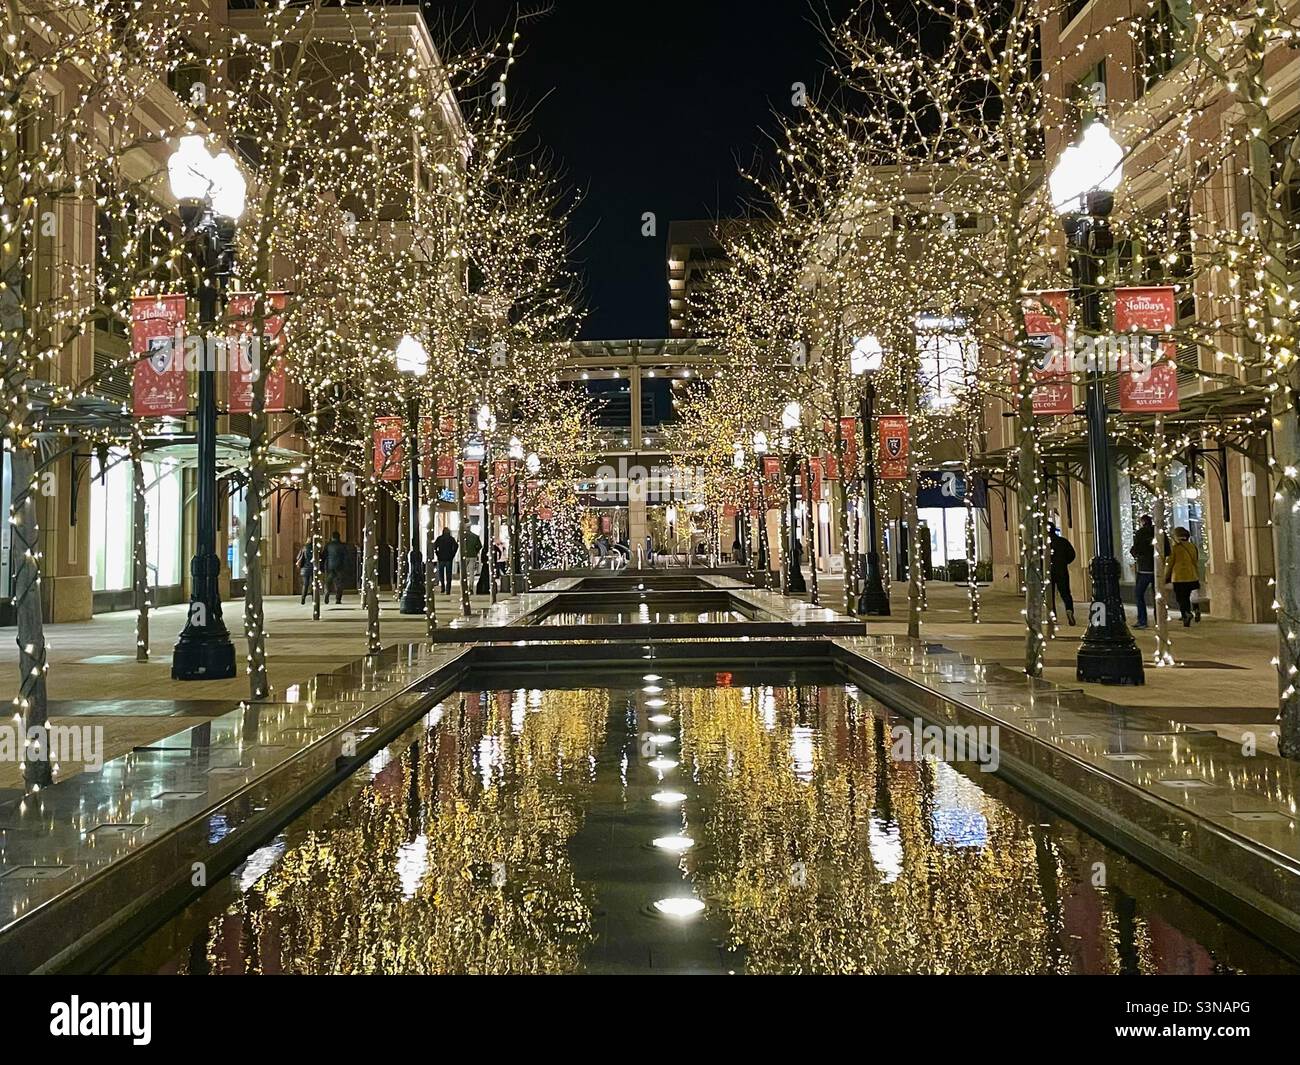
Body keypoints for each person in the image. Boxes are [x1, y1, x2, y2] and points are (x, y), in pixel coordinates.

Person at [1165, 526, 1201, 627]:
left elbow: (1170, 563)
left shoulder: (1175, 548)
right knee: (1191, 595)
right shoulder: (1192, 546)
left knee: (1182, 598)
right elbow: (1195, 560)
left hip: (1179, 577)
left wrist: (1165, 576)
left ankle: (1186, 614)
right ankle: (1195, 609)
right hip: (1192, 575)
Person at [1048, 524, 1076, 626]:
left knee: (1049, 596)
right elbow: (1072, 554)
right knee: (1065, 593)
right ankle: (1069, 610)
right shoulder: (1063, 541)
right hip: (1062, 570)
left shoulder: (1043, 543)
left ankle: (1052, 616)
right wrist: (1064, 562)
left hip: (1048, 572)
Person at [323, 530, 347, 604]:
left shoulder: (328, 545)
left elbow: (324, 555)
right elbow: (346, 556)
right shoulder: (342, 545)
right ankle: (338, 599)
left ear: (332, 537)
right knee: (339, 583)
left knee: (328, 581)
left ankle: (327, 592)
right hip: (340, 566)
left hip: (330, 566)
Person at [433, 526, 458, 595]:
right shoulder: (451, 539)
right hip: (449, 558)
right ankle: (448, 589)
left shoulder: (439, 538)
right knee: (448, 575)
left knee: (441, 575)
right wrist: (453, 554)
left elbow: (434, 546)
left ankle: (442, 588)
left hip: (441, 558)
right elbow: (456, 546)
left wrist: (437, 553)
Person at [463, 524, 482, 590]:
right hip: (473, 555)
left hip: (464, 555)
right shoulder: (475, 536)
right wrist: (475, 551)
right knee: (471, 572)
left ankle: (464, 586)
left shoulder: (462, 536)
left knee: (463, 572)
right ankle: (470, 586)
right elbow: (480, 546)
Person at [295, 540, 314, 605]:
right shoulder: (315, 548)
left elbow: (298, 557)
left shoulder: (303, 548)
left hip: (304, 569)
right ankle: (313, 599)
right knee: (313, 584)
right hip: (313, 568)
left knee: (305, 584)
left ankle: (303, 599)